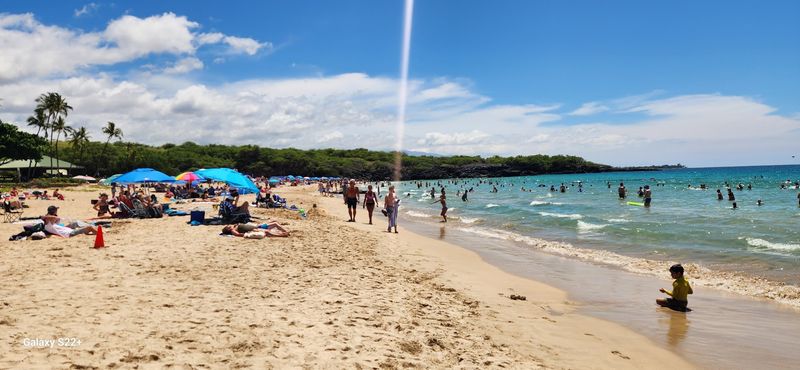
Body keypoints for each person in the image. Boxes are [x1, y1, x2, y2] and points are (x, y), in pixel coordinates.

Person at [222, 222, 290, 238]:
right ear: (228, 229)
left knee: (275, 223)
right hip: (254, 229)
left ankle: (285, 232)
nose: (229, 226)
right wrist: (248, 233)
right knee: (268, 231)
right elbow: (237, 234)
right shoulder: (232, 230)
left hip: (256, 226)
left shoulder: (234, 227)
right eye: (228, 227)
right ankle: (281, 235)